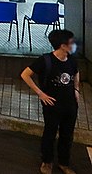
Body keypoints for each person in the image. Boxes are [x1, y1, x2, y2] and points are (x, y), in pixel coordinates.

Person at [21, 29, 81, 174]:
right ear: (62, 45)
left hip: (70, 104)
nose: (74, 45)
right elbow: (25, 74)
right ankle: (47, 162)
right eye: (71, 42)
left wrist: (76, 89)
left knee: (67, 134)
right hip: (52, 104)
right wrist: (40, 93)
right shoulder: (46, 60)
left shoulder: (71, 59)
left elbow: (76, 72)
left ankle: (64, 163)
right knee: (50, 132)